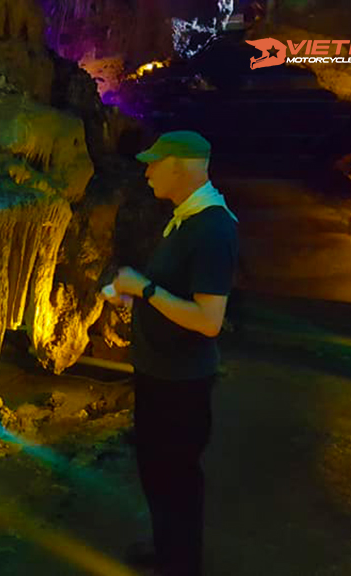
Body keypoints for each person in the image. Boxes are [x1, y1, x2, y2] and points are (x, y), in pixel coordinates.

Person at [101, 130, 238, 576]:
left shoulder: (213, 228)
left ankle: (181, 564)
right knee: (156, 472)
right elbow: (176, 293)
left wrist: (146, 288)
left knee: (175, 477)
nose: (146, 170)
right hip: (160, 372)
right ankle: (167, 549)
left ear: (181, 165)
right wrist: (134, 295)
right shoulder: (185, 217)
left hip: (182, 381)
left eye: (154, 163)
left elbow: (208, 319)